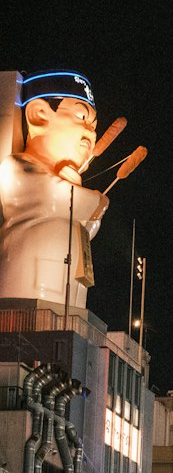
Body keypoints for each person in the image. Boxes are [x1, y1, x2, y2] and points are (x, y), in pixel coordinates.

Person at [0, 72, 119, 308]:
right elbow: (61, 200)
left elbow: (88, 224)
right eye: (81, 117)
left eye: (94, 126)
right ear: (39, 115)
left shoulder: (68, 181)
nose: (91, 133)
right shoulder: (18, 167)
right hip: (26, 285)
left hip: (69, 289)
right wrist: (97, 201)